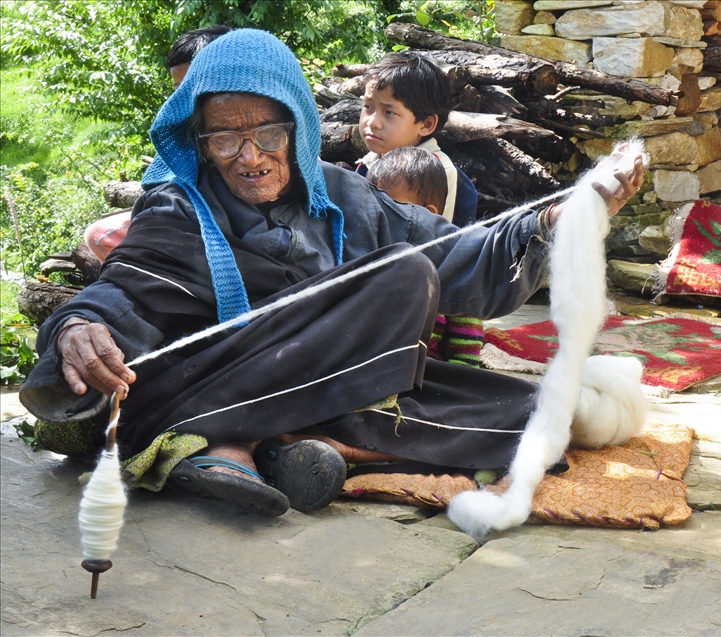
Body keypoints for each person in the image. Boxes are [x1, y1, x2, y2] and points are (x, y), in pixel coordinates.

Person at [20, 29, 643, 519]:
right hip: (217, 376)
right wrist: (79, 324)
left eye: (268, 131)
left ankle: (282, 445)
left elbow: (466, 258)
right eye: (224, 139)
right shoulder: (179, 206)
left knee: (542, 417)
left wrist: (563, 219)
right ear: (199, 141)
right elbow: (124, 288)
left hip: (338, 384)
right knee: (402, 279)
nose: (249, 155)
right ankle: (247, 440)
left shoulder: (350, 196)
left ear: (298, 124)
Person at [85, 25, 231, 261]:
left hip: (214, 225)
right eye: (178, 89)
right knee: (100, 235)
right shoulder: (182, 128)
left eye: (194, 85)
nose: (185, 98)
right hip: (181, 215)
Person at [368, 146, 485, 368]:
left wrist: (459, 375)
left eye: (392, 210)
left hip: (432, 371)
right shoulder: (373, 259)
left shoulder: (448, 267)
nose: (381, 219)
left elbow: (466, 334)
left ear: (427, 214)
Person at [355, 51, 478, 228]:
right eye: (368, 107)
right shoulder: (368, 163)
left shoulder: (440, 174)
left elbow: (446, 244)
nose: (372, 122)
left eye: (389, 112)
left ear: (426, 124)